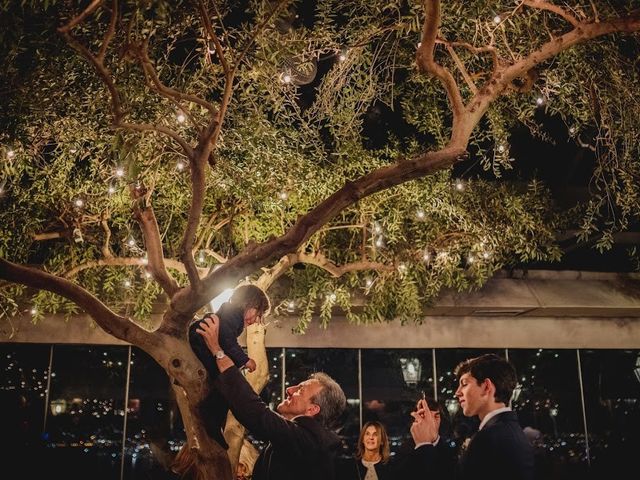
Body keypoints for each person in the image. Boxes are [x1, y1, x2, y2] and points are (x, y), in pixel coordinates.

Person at [196, 314, 347, 480]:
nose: (289, 389)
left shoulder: (309, 441)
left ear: (312, 409)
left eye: (300, 390)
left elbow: (255, 412)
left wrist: (218, 352)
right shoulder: (296, 439)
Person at [409, 353, 534, 480]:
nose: (457, 393)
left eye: (464, 384)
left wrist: (423, 445)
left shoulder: (488, 438)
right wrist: (434, 438)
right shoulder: (510, 431)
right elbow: (458, 472)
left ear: (486, 387)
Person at [188, 283, 270, 448]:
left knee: (223, 387)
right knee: (226, 384)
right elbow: (226, 340)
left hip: (202, 346)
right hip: (200, 344)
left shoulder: (231, 315)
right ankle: (210, 418)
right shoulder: (232, 314)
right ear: (246, 303)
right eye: (257, 313)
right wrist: (245, 360)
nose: (254, 320)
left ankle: (213, 422)